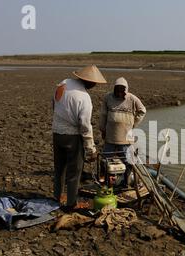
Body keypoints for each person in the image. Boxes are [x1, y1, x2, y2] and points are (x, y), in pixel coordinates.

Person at [52, 65, 107, 210]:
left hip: (57, 133)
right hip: (73, 137)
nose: (95, 85)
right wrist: (91, 149)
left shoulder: (63, 83)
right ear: (90, 82)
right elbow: (85, 126)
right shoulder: (84, 98)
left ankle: (55, 199)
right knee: (74, 172)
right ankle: (71, 203)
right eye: (95, 83)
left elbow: (54, 104)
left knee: (59, 170)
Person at [99, 77, 146, 185]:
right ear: (114, 89)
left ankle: (127, 180)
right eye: (118, 90)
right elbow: (103, 114)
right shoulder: (108, 98)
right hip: (110, 135)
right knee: (105, 159)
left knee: (127, 161)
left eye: (122, 90)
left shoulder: (132, 99)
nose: (120, 92)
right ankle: (105, 179)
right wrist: (102, 129)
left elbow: (142, 110)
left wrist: (134, 123)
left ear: (126, 90)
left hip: (125, 138)